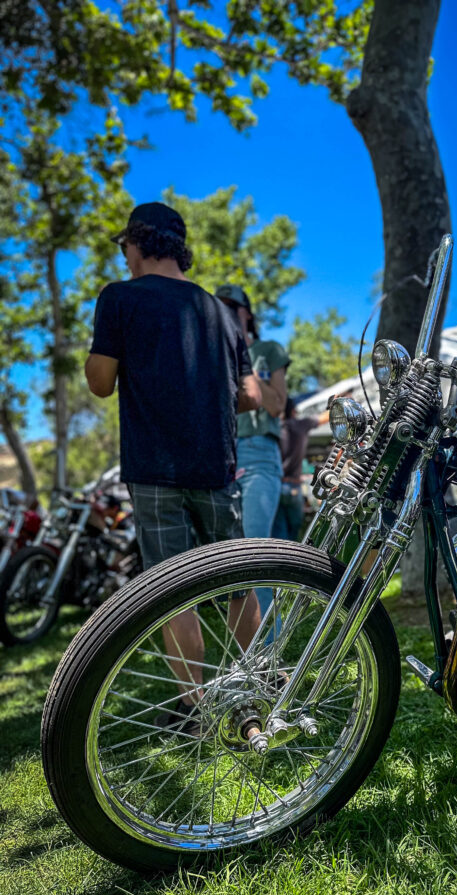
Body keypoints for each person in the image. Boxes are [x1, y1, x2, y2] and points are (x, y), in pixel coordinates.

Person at [85, 202, 262, 734]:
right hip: (216, 465)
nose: (125, 256)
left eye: (125, 246)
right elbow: (251, 395)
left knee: (170, 588)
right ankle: (252, 689)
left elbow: (99, 381)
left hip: (155, 467)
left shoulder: (119, 298)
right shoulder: (222, 314)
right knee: (236, 583)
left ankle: (196, 707)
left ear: (138, 243)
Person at [215, 285, 290, 541]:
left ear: (246, 313)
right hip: (220, 457)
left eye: (230, 307)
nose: (224, 313)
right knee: (224, 551)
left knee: (254, 547)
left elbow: (277, 406)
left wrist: (247, 368)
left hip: (259, 452)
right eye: (219, 308)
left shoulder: (269, 350)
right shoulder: (213, 355)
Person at [273, 397, 330, 541]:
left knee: (279, 531)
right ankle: (293, 559)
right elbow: (326, 417)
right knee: (296, 529)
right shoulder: (301, 425)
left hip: (276, 486)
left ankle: (279, 559)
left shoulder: (275, 429)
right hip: (294, 486)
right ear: (293, 410)